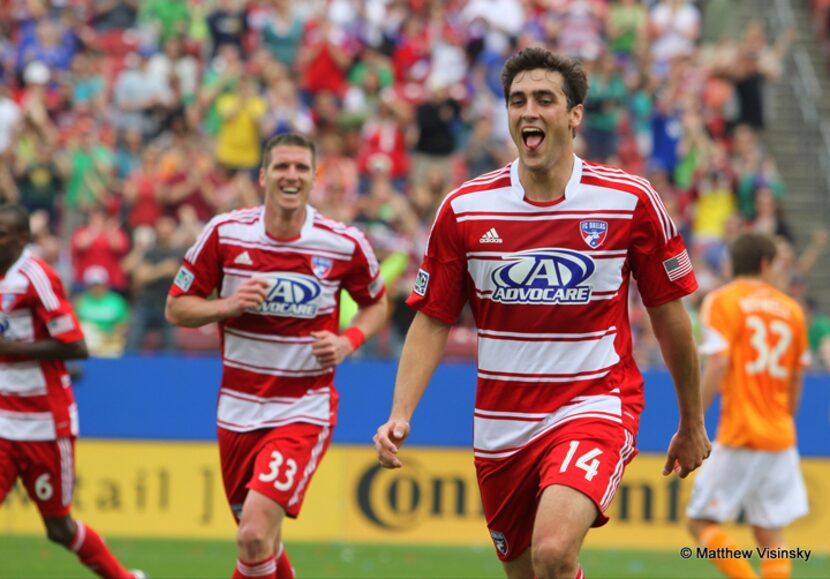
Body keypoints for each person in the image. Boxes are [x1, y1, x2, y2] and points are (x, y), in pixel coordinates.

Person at [373, 47, 711, 578]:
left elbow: (670, 317)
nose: (528, 112)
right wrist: (401, 412)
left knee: (555, 552)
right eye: (517, 101)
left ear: (575, 115)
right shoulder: (465, 209)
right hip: (500, 428)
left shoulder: (630, 201)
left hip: (594, 404)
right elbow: (434, 317)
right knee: (532, 572)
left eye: (545, 100)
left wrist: (692, 422)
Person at [165, 132, 388, 579]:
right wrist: (227, 305)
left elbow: (377, 303)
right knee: (262, 544)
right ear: (264, 176)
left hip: (302, 408)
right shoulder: (225, 234)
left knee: (251, 535)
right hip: (236, 410)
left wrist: (348, 342)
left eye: (301, 168)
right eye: (283, 167)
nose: (292, 176)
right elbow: (176, 307)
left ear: (314, 177)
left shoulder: (342, 243)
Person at [0, 204, 144, 579]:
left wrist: (12, 350)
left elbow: (77, 346)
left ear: (20, 240)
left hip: (45, 423)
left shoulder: (36, 278)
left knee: (58, 528)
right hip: (3, 419)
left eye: (1, 234)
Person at [687, 232, 809, 579]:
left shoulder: (723, 300)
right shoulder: (792, 310)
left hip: (741, 431)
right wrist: (784, 419)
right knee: (770, 533)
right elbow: (796, 379)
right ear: (765, 263)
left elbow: (718, 363)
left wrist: (693, 418)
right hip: (780, 435)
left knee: (699, 522)